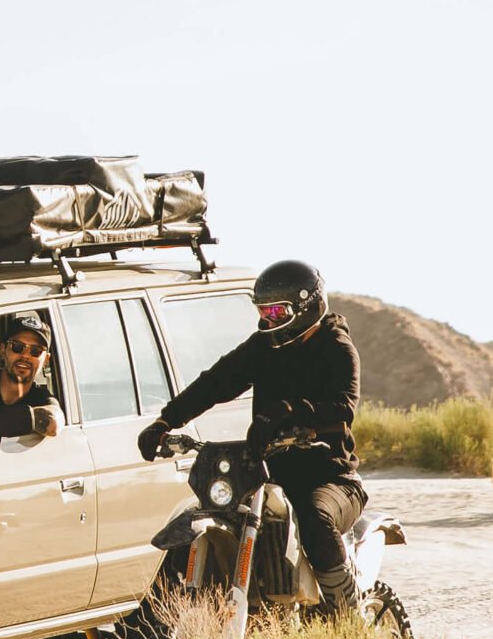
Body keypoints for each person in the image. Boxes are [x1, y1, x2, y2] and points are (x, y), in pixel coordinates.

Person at [139, 259, 366, 614]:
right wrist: (166, 421)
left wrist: (287, 411)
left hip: (330, 478)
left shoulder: (336, 347)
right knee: (228, 512)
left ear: (307, 307)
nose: (270, 319)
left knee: (314, 517)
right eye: (264, 311)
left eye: (278, 310)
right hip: (269, 473)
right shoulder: (263, 346)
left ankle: (350, 617)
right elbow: (216, 382)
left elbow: (342, 408)